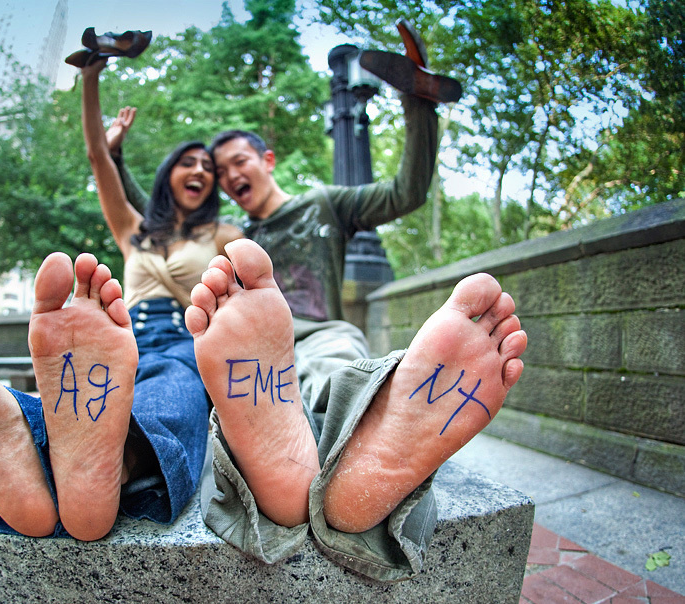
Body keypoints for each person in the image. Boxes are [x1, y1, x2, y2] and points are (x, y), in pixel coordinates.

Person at [113, 20, 527, 582]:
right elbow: (158, 217)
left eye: (239, 161)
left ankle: (367, 451)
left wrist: (419, 104)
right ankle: (313, 458)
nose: (231, 174)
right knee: (243, 397)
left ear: (269, 160)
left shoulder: (324, 205)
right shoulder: (230, 238)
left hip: (318, 329)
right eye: (222, 171)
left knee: (335, 374)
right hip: (257, 354)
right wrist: (115, 160)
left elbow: (407, 191)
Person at [0, 49, 240, 547]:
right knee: (98, 386)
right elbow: (97, 158)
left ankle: (91, 455)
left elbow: (239, 297)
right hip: (123, 330)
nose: (200, 170)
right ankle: (43, 443)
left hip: (181, 333)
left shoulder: (224, 232)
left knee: (174, 385)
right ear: (169, 173)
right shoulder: (135, 230)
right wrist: (90, 79)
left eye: (208, 167)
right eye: (188, 161)